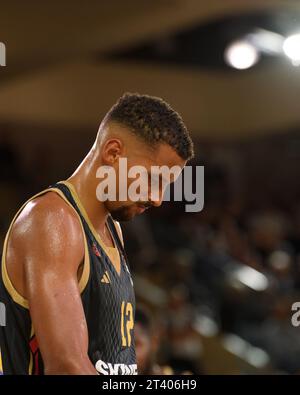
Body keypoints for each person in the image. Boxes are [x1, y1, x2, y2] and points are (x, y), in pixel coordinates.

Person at [0, 93, 194, 375]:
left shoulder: (113, 230)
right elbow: (67, 367)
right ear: (113, 153)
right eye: (154, 179)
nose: (158, 199)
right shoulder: (53, 222)